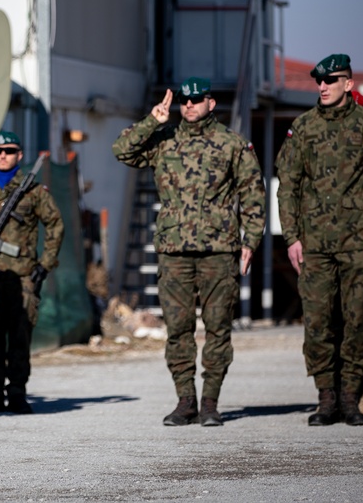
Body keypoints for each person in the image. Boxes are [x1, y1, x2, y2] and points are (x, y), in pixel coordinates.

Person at [113, 78, 266, 427]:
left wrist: (250, 242)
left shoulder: (232, 144)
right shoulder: (164, 140)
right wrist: (153, 120)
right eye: (185, 100)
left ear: (211, 103)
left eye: (197, 100)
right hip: (174, 250)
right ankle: (186, 400)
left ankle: (210, 402)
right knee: (178, 329)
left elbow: (253, 196)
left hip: (218, 250)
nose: (190, 105)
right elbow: (121, 150)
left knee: (217, 328)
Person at [276, 54, 363, 427]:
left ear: (349, 83)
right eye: (319, 81)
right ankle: (326, 398)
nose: (323, 87)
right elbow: (288, 187)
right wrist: (292, 238)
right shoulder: (303, 127)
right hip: (314, 245)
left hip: (359, 243)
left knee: (357, 321)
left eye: (332, 80)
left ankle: (351, 399)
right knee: (317, 323)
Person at [0, 131, 64, 414]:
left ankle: (17, 392)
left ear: (19, 156)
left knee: (20, 336)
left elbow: (55, 225)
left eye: (9, 151)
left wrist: (45, 264)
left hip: (23, 277)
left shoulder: (33, 191)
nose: (2, 155)